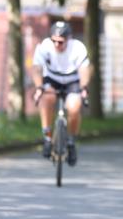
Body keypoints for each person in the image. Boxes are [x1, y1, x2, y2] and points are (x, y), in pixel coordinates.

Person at [30, 21, 91, 165]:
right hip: (52, 78)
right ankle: (47, 137)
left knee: (74, 107)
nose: (57, 45)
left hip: (72, 81)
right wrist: (39, 88)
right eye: (54, 41)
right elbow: (37, 68)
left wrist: (84, 88)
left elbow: (84, 69)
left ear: (68, 39)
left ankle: (71, 141)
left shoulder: (77, 48)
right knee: (47, 98)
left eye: (61, 42)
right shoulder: (44, 46)